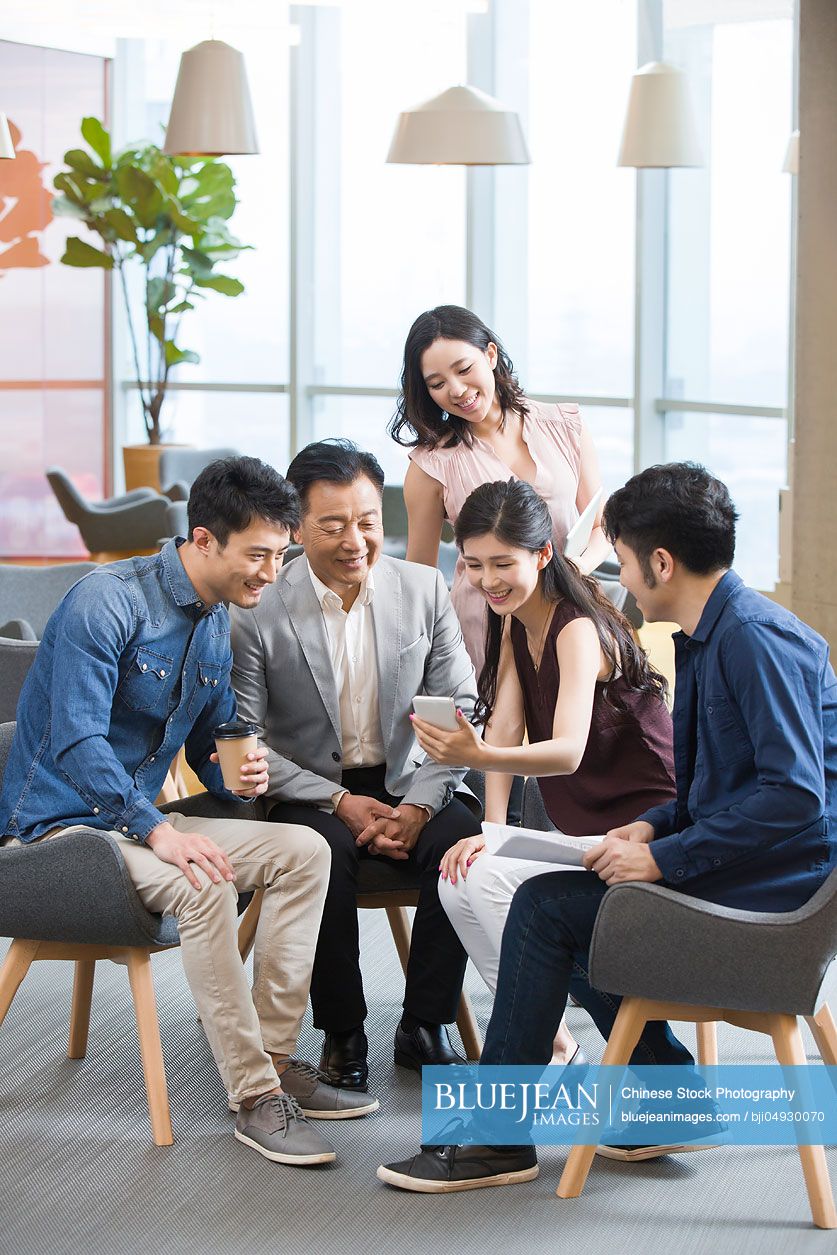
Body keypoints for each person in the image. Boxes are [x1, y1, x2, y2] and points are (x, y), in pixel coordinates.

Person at [378, 461, 837, 1192]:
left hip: (777, 901)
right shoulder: (703, 636)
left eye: (619, 560)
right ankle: (666, 1099)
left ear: (658, 561)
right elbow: (707, 790)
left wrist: (668, 858)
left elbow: (795, 799)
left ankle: (503, 1137)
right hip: (740, 868)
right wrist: (652, 830)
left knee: (543, 909)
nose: (613, 576)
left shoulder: (752, 640)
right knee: (567, 896)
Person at [0, 456, 378, 1170]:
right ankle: (251, 1099)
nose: (271, 572)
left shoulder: (214, 621)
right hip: (61, 828)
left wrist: (237, 775)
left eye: (281, 553)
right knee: (205, 884)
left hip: (138, 821)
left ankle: (270, 1059)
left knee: (306, 850)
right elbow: (79, 739)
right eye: (259, 555)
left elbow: (210, 748)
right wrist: (159, 829)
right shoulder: (104, 600)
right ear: (203, 540)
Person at [229, 440, 482, 1094]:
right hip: (309, 789)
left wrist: (419, 805)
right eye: (333, 524)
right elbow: (246, 737)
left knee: (459, 840)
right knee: (319, 853)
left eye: (367, 520)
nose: (355, 540)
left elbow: (461, 707)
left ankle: (424, 1023)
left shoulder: (422, 588)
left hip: (408, 778)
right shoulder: (259, 608)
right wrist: (338, 801)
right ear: (294, 527)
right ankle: (342, 1028)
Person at [410, 478, 674, 1070]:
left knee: (497, 885)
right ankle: (552, 1043)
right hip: (586, 828)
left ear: (542, 554)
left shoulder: (576, 627)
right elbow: (503, 729)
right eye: (473, 564)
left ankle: (546, 1041)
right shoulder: (512, 622)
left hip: (643, 828)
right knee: (462, 873)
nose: (487, 580)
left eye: (503, 563)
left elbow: (565, 752)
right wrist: (492, 831)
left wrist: (477, 757)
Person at [391, 304, 612, 675]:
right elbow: (421, 581)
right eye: (437, 383)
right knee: (496, 731)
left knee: (571, 726)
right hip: (482, 626)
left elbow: (602, 526)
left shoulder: (565, 425)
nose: (457, 391)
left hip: (569, 612)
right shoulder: (431, 465)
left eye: (464, 369)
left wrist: (574, 569)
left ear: (490, 354)